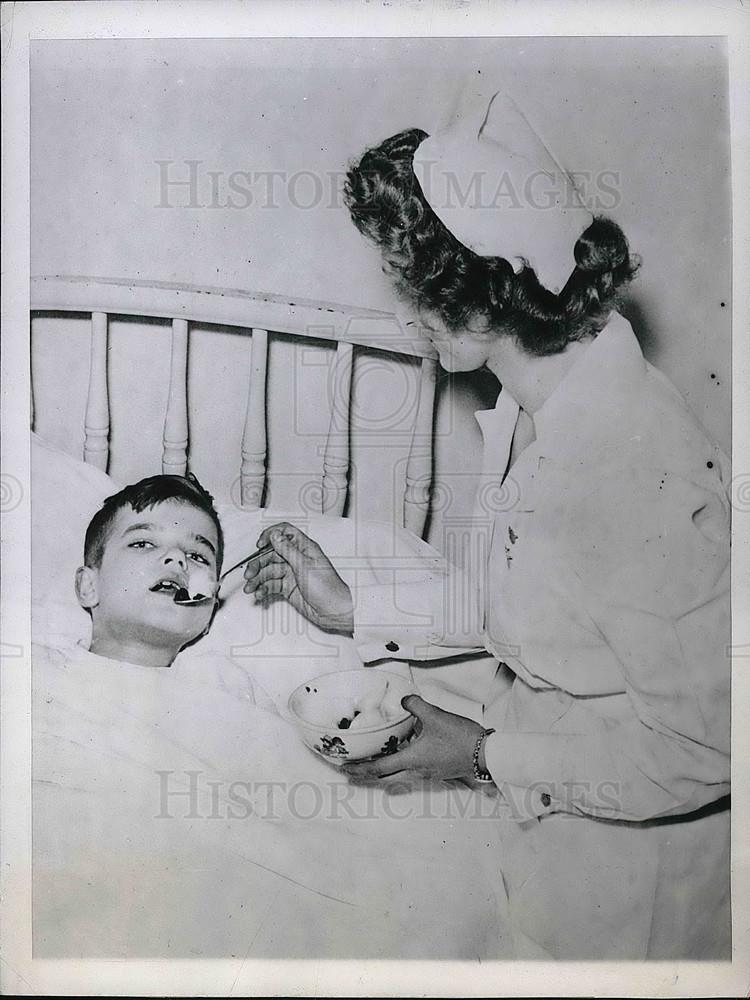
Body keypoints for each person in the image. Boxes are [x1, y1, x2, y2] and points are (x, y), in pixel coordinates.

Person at [243, 90, 731, 959]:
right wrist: (360, 607)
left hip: (631, 893)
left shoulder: (628, 470)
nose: (403, 312)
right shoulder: (549, 403)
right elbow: (547, 609)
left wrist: (480, 755)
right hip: (546, 826)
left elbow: (709, 747)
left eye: (410, 285)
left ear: (484, 289)